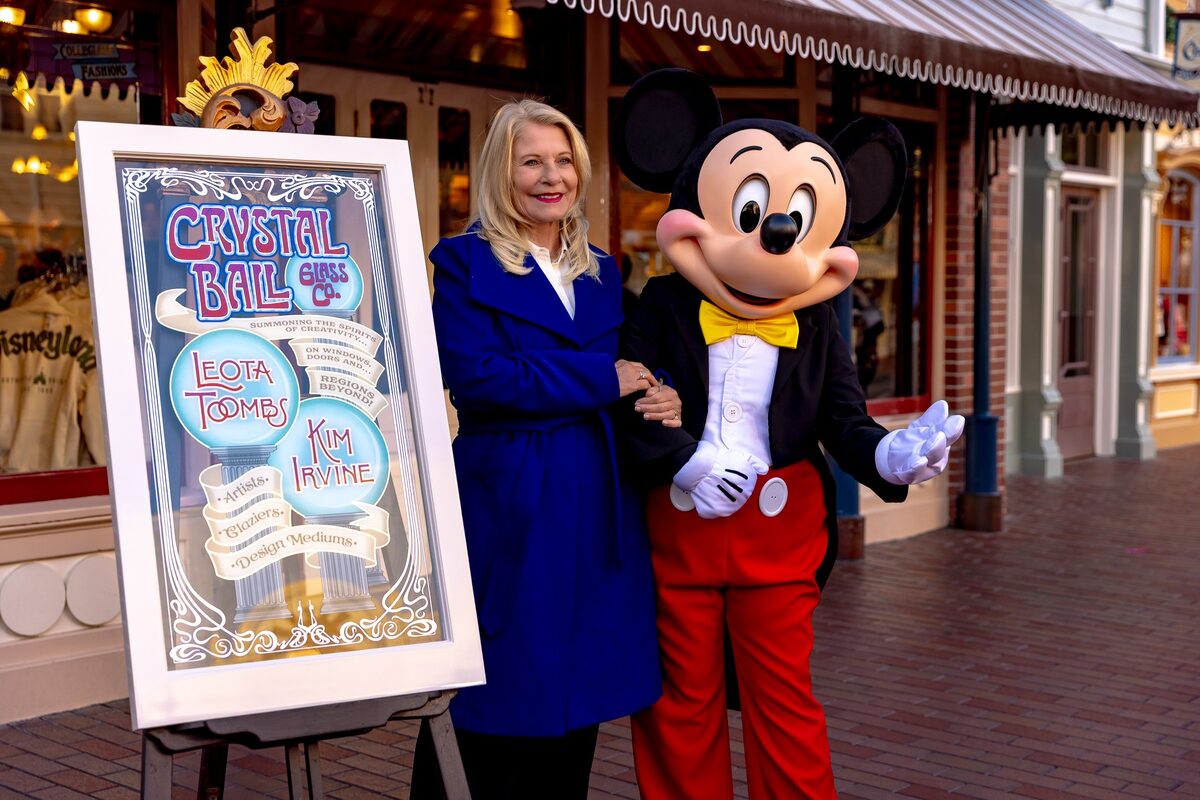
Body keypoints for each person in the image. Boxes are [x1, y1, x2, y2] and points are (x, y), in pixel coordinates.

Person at [409, 99, 680, 800]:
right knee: (492, 698)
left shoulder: (596, 269)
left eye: (563, 161)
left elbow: (631, 364)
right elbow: (478, 375)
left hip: (594, 495)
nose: (550, 176)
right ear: (503, 171)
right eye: (532, 161)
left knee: (575, 704)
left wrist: (661, 390)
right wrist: (601, 379)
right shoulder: (466, 264)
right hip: (511, 500)